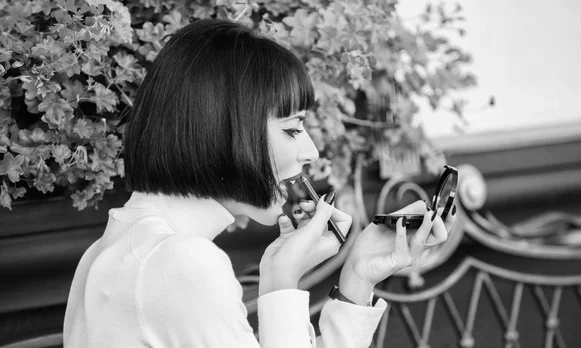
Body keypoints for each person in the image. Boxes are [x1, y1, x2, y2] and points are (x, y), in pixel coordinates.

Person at [63, 18, 455, 348]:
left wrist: (356, 277)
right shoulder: (184, 262)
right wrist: (282, 279)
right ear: (224, 128)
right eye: (293, 129)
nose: (312, 151)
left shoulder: (114, 248)